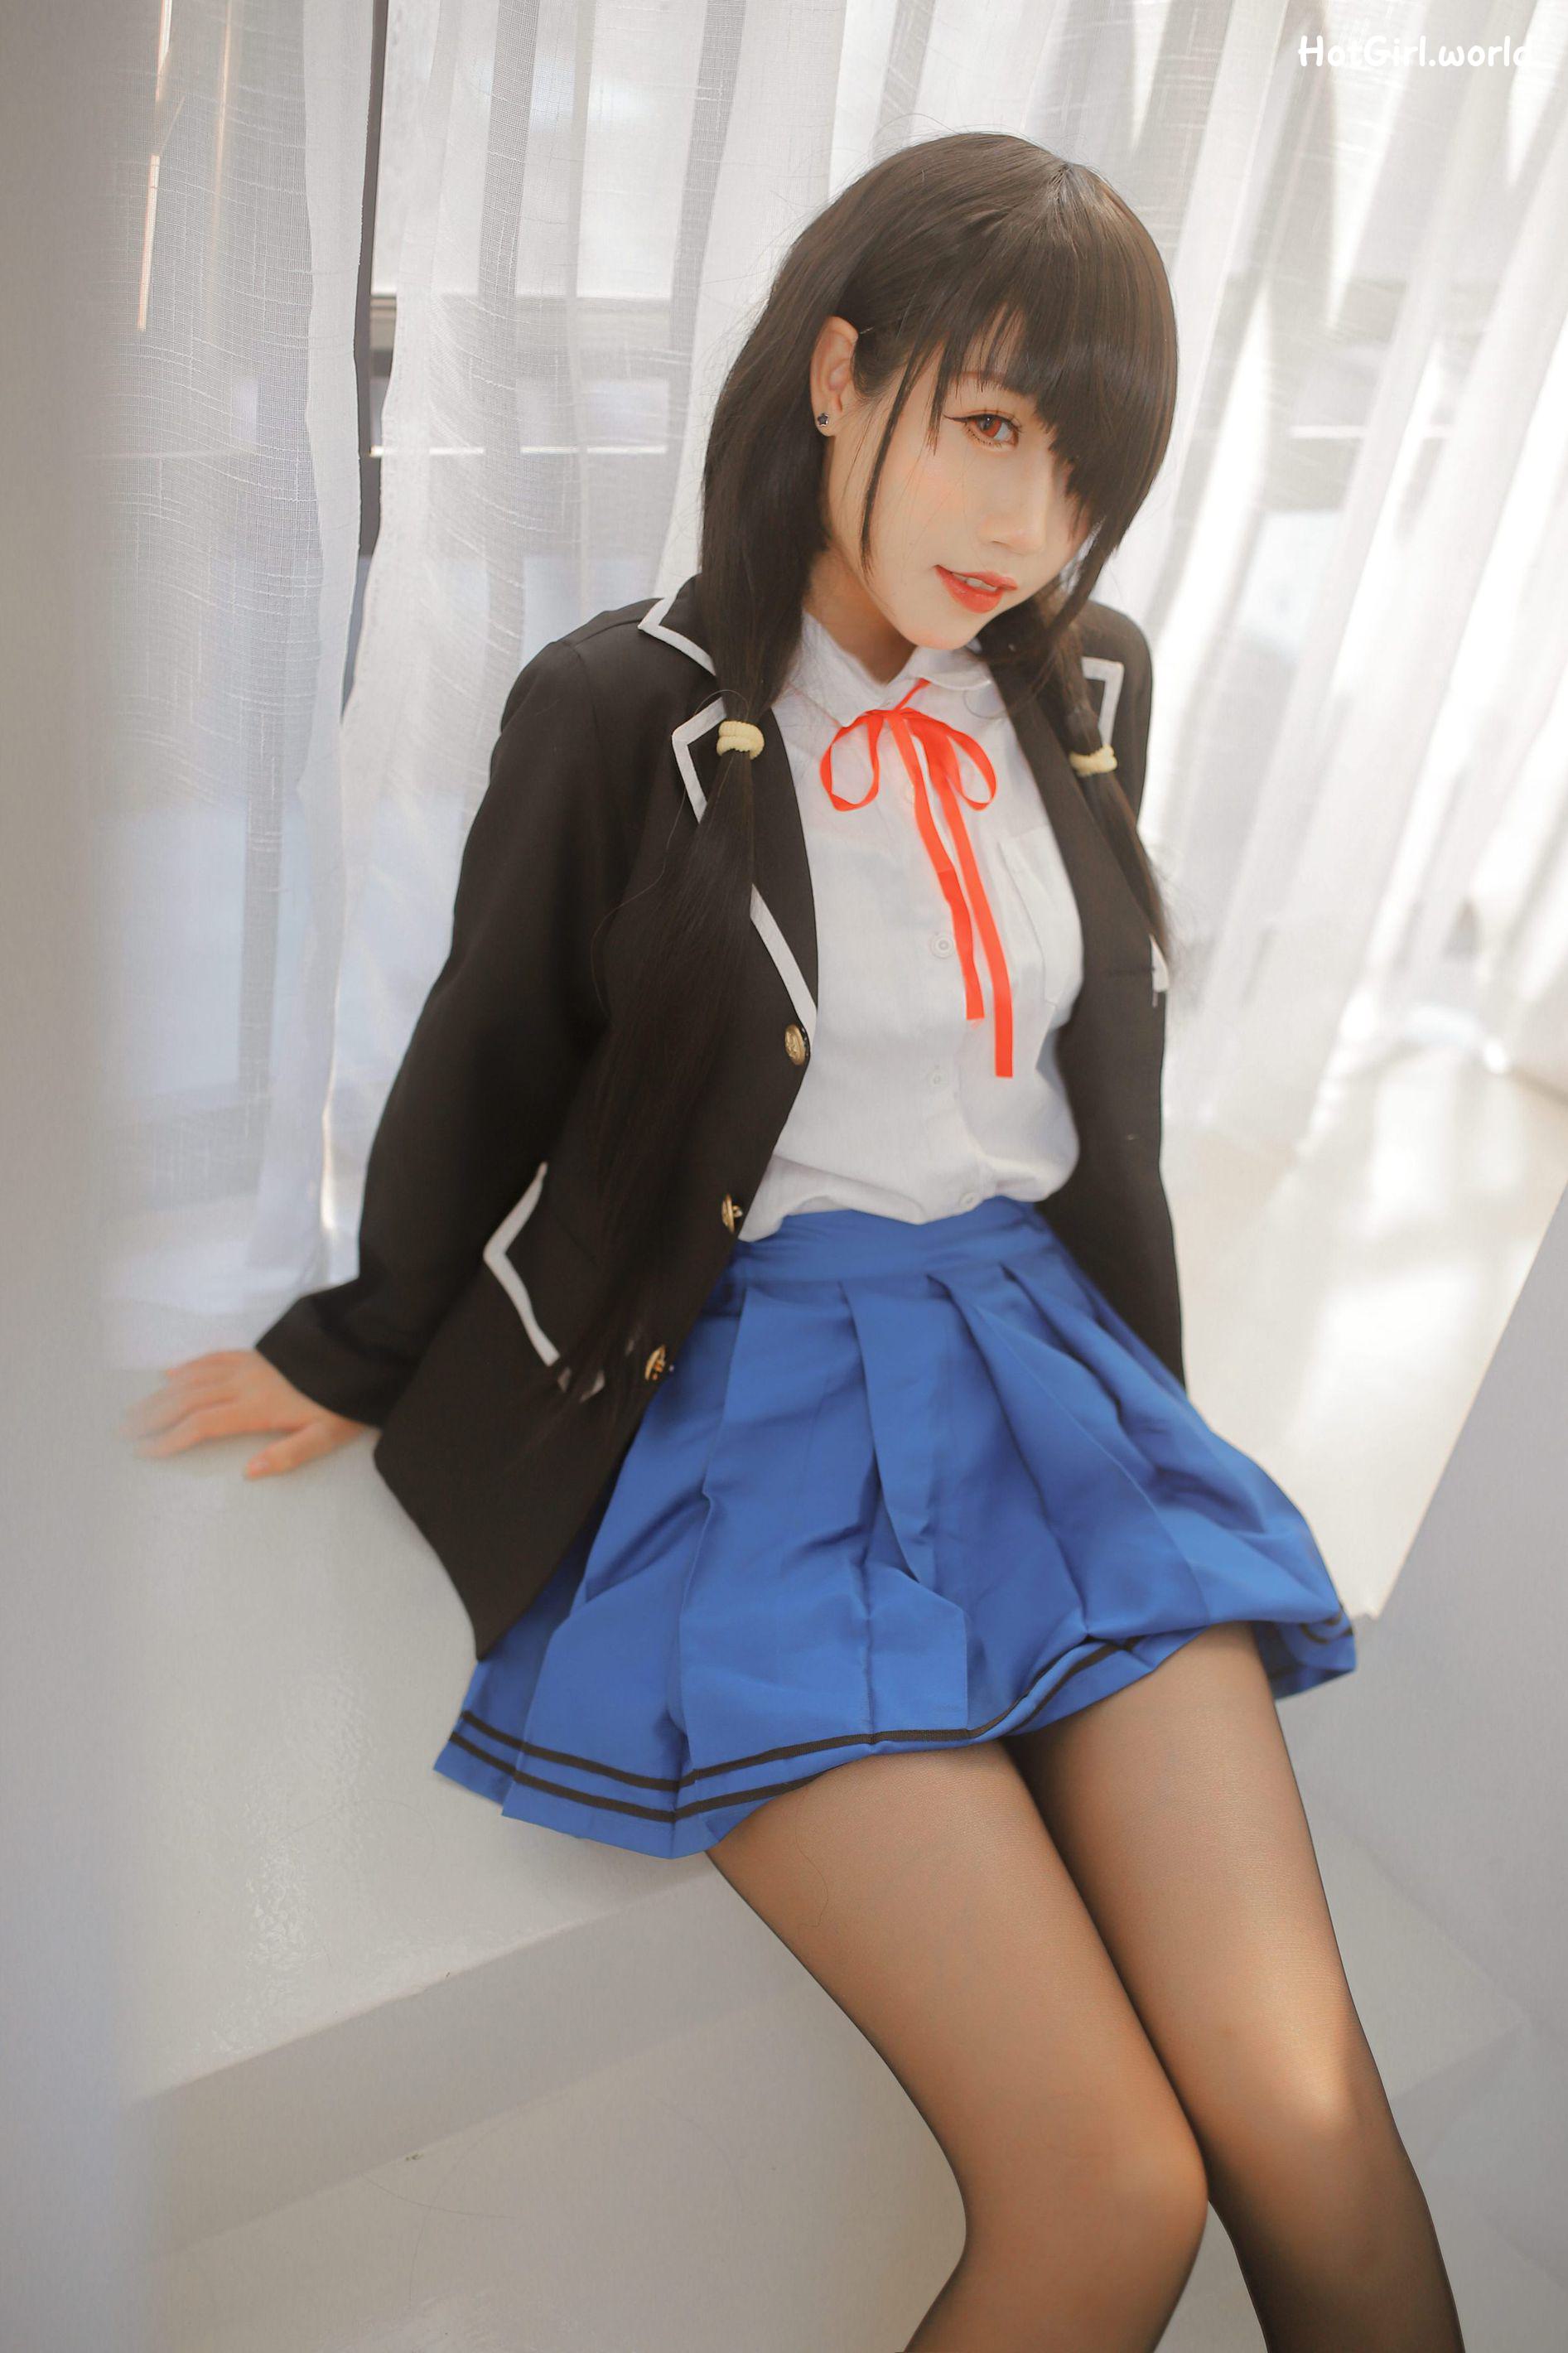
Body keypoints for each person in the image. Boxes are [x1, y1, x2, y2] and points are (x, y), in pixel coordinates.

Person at [123, 132, 1465, 2353]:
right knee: (1111, 2185)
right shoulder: (621, 709)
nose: (1025, 525)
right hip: (751, 1406)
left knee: (1308, 2116)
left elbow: (1086, 1081)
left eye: (1081, 474)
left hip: (1052, 1390)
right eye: (990, 425)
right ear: (840, 376)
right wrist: (355, 1339)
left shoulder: (1084, 683)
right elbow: (489, 1053)